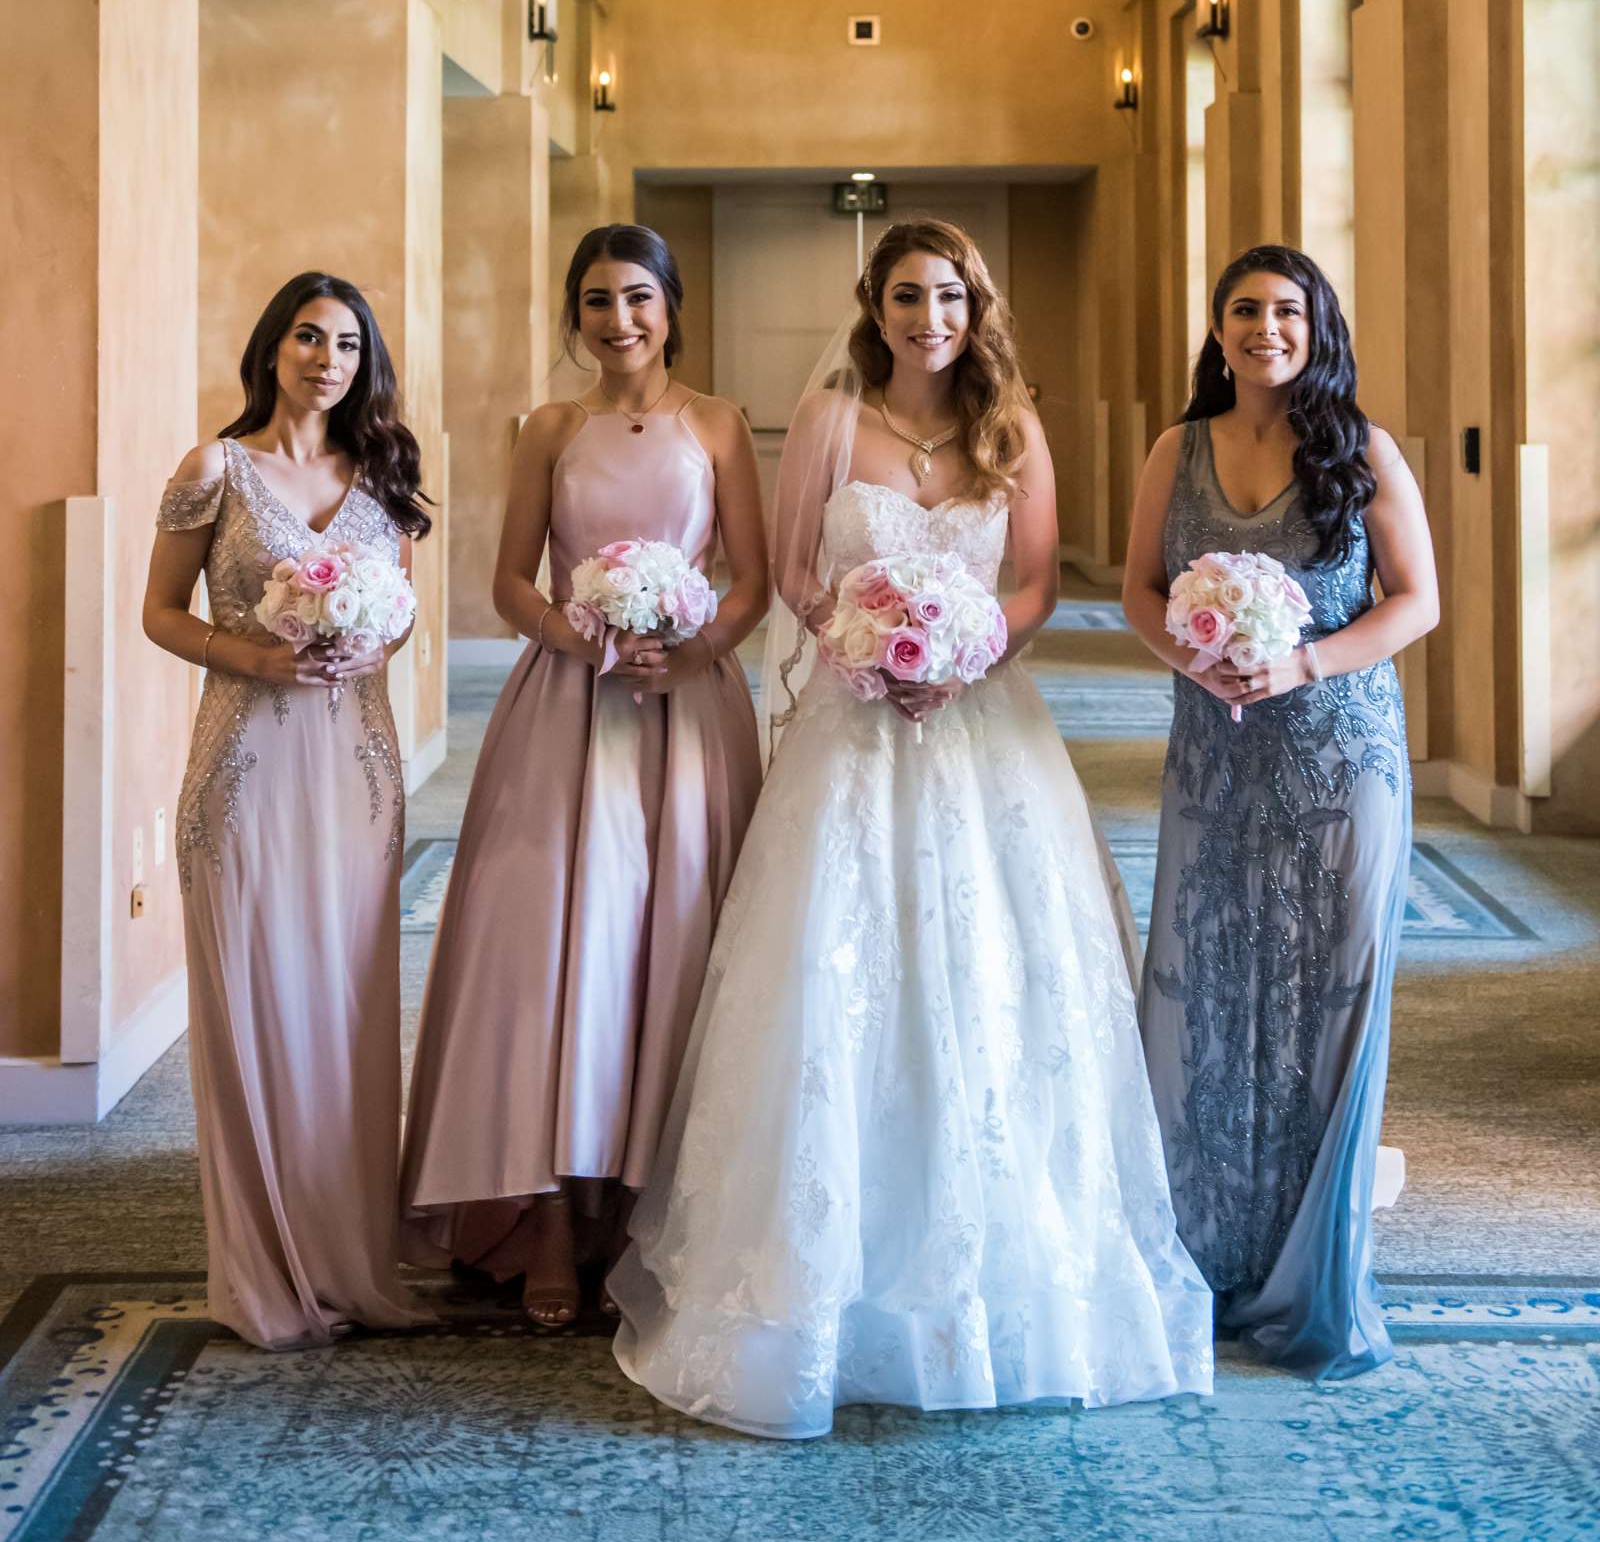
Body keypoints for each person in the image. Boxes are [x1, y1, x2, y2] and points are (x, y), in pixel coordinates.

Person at [611, 218, 1212, 1436]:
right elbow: (789, 570)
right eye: (903, 296)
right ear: (872, 306)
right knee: (838, 977)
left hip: (983, 726)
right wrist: (862, 644)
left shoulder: (1012, 428)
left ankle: (995, 1275)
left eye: (945, 296)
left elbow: (1036, 582)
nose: (925, 317)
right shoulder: (832, 423)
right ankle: (814, 1280)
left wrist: (967, 642)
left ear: (971, 305)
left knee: (995, 980)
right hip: (853, 724)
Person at [400, 225, 767, 1326]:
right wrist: (579, 634)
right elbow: (508, 580)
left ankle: (644, 1215)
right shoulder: (548, 429)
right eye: (599, 301)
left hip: (687, 709)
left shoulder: (719, 425)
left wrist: (691, 649)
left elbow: (747, 580)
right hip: (565, 704)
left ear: (672, 307)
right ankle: (552, 1215)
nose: (620, 321)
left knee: (673, 947)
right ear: (576, 316)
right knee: (558, 950)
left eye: (639, 299)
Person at [1122, 243, 1439, 1378]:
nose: (1266, 329)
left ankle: (1312, 1276)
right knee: (1211, 998)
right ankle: (1210, 1257)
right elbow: (1136, 592)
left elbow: (1417, 602)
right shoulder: (1178, 448)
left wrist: (1303, 667)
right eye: (1245, 310)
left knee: (1324, 1006)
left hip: (1341, 760)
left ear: (1318, 328)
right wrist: (1195, 658)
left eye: (1287, 312)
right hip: (1214, 757)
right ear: (1217, 332)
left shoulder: (1363, 448)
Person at [143, 272, 430, 1349]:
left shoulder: (385, 469)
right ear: (272, 349)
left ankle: (350, 1258)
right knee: (253, 1007)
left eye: (348, 344)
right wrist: (253, 653)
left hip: (356, 767)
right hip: (246, 767)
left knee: (348, 1010)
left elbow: (396, 616)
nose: (327, 359)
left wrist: (371, 640)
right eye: (308, 337)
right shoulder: (214, 468)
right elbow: (159, 614)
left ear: (365, 362)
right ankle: (263, 1273)